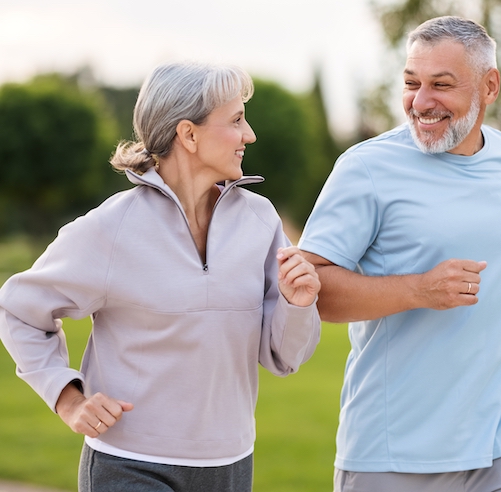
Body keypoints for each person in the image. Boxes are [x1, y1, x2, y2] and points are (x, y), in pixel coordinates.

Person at [0, 62, 322, 492]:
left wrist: (297, 304)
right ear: (188, 135)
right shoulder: (111, 229)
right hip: (130, 465)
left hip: (230, 464)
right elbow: (17, 309)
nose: (250, 135)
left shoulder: (260, 221)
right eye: (237, 120)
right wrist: (67, 397)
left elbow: (284, 357)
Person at [298, 16, 501, 492]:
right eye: (411, 83)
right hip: (394, 452)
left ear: (490, 86)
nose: (420, 102)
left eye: (441, 85)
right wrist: (419, 289)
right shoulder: (366, 168)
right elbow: (312, 289)